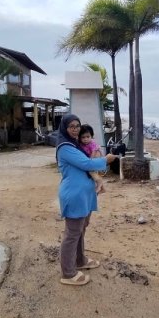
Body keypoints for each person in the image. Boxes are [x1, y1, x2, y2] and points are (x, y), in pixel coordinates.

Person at [55, 114, 117, 286]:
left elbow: (88, 162)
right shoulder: (65, 147)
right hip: (74, 196)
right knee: (72, 234)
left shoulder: (76, 145)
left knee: (81, 229)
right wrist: (106, 159)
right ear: (65, 128)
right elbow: (87, 164)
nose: (75, 129)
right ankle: (68, 273)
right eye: (71, 126)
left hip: (84, 196)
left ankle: (80, 260)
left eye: (77, 125)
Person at [78, 124, 106, 195]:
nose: (86, 139)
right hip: (92, 159)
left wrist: (90, 161)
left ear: (91, 136)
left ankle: (99, 182)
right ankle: (102, 188)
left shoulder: (92, 143)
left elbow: (94, 152)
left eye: (88, 137)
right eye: (83, 137)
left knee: (91, 172)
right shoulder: (81, 144)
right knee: (93, 173)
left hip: (95, 157)